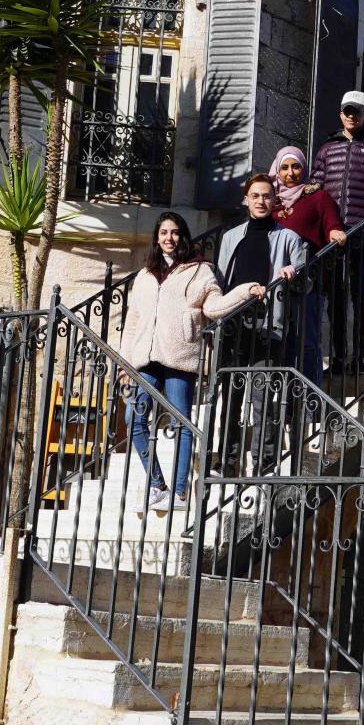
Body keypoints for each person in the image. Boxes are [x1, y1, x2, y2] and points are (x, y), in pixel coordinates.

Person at [117, 212, 245, 513]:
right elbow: (133, 320)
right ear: (156, 237)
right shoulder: (145, 275)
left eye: (174, 232)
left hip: (180, 357)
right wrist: (125, 364)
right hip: (146, 360)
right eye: (163, 232)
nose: (169, 238)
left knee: (182, 423)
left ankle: (180, 491)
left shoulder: (200, 270)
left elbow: (213, 306)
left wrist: (242, 292)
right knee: (133, 420)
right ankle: (157, 484)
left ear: (182, 236)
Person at [212, 172, 310, 470]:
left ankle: (264, 462)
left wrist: (294, 274)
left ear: (275, 200)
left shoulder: (289, 238)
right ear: (246, 200)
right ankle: (227, 460)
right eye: (255, 195)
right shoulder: (230, 238)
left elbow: (306, 282)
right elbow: (219, 282)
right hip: (233, 326)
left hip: (268, 327)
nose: (261, 201)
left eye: (267, 195)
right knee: (230, 397)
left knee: (263, 398)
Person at [310, 89, 364, 372]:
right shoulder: (326, 150)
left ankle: (358, 357)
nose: (351, 115)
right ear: (341, 114)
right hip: (333, 234)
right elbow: (315, 187)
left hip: (361, 231)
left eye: (356, 111)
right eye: (347, 111)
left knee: (358, 294)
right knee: (335, 295)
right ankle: (337, 358)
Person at [269, 146, 344, 383]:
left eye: (296, 166)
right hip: (276, 283)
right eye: (284, 168)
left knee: (307, 343)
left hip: (307, 283)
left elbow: (332, 223)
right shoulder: (271, 203)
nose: (290, 173)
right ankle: (286, 407)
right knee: (280, 344)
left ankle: (312, 405)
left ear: (304, 168)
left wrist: (335, 232)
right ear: (277, 171)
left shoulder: (317, 197)